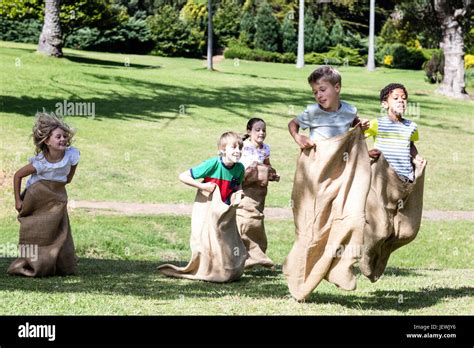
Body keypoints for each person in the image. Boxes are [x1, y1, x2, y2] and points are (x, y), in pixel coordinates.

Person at [8, 112, 80, 277]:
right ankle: (33, 263)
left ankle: (62, 264)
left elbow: (68, 178)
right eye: (58, 136)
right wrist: (18, 200)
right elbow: (18, 175)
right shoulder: (40, 163)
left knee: (59, 230)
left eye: (65, 136)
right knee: (37, 231)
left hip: (56, 198)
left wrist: (56, 190)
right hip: (36, 198)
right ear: (47, 141)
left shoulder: (71, 155)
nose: (63, 139)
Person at [288, 66, 369, 148]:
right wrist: (296, 136)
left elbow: (352, 121)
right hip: (317, 158)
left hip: (340, 158)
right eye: (315, 92)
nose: (318, 95)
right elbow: (293, 123)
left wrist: (361, 123)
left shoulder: (349, 110)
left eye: (322, 90)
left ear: (337, 88)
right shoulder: (313, 112)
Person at [237, 118, 279, 269]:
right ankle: (244, 256)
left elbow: (268, 166)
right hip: (244, 188)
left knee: (256, 221)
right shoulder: (242, 146)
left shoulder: (265, 148)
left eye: (264, 130)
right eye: (257, 130)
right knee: (245, 221)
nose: (261, 133)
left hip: (259, 192)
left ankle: (256, 256)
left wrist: (272, 174)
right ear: (249, 131)